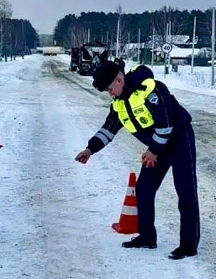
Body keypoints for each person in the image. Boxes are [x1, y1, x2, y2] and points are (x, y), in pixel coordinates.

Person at [74, 59, 199, 260]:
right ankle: (147, 237)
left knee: (185, 191)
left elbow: (167, 124)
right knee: (143, 189)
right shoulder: (119, 103)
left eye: (109, 89)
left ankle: (188, 245)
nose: (109, 93)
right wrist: (90, 150)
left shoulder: (150, 89)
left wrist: (154, 150)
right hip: (156, 148)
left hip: (179, 139)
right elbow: (108, 129)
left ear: (119, 79)